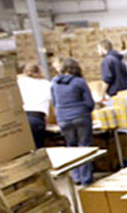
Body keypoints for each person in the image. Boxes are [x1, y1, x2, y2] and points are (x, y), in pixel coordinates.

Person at [51, 58, 96, 186]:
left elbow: (54, 103)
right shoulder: (80, 82)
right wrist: (86, 110)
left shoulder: (54, 83)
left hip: (63, 118)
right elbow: (89, 102)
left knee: (71, 147)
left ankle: (76, 177)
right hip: (81, 117)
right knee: (84, 147)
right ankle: (86, 179)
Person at [17, 63, 53, 149]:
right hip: (37, 118)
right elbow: (52, 100)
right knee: (38, 147)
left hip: (22, 117)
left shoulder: (20, 82)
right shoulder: (46, 84)